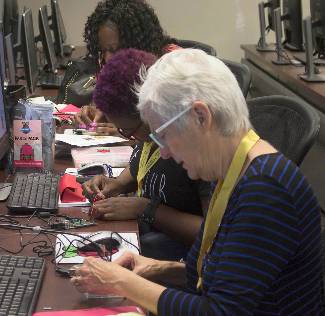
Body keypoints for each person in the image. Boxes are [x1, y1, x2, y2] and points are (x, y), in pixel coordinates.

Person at [72, 49, 324, 315]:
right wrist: (158, 268)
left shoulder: (265, 189)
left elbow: (220, 311)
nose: (165, 151)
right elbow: (222, 277)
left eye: (164, 135)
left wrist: (123, 283)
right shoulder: (235, 171)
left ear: (201, 117)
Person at [83, 48, 210, 261]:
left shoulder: (192, 148)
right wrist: (115, 185)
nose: (129, 137)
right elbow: (139, 170)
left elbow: (214, 236)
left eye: (128, 130)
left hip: (180, 259)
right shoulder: (149, 135)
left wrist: (148, 210)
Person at [74, 0, 176, 133]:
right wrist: (98, 110)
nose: (107, 58)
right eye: (103, 50)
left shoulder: (172, 67)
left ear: (137, 41)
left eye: (114, 49)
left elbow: (176, 130)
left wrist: (126, 132)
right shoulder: (113, 64)